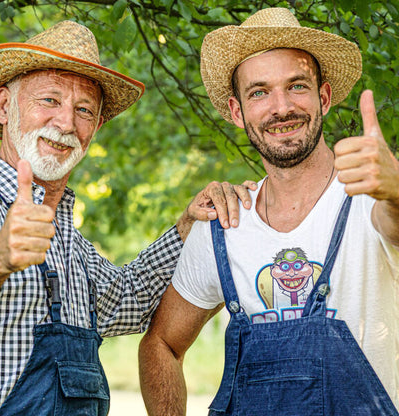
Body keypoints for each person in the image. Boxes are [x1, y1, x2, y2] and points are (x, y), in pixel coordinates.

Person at [0, 20, 255, 416]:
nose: (65, 123)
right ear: (5, 106)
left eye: (84, 110)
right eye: (49, 101)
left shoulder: (68, 242)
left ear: (94, 128)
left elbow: (131, 298)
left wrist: (187, 226)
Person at [139, 7, 399, 416]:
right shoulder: (223, 226)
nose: (281, 108)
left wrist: (396, 190)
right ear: (238, 112)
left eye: (296, 86)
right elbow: (161, 345)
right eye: (259, 92)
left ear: (324, 97)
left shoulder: (373, 200)